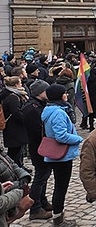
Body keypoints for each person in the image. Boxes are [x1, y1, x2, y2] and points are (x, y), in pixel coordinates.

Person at [42, 84, 84, 227]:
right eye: (64, 93)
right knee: (61, 187)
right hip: (61, 155)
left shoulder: (52, 109)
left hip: (58, 155)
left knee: (60, 186)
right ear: (59, 95)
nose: (66, 95)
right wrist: (78, 139)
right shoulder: (58, 113)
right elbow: (61, 136)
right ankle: (58, 219)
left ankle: (58, 215)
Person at [22, 79, 53, 220]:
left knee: (44, 176)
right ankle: (34, 208)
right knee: (40, 177)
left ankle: (42, 201)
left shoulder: (40, 104)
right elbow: (38, 130)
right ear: (41, 93)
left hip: (42, 147)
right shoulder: (32, 108)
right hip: (39, 147)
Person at [0, 76, 29, 168]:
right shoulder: (12, 97)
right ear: (16, 84)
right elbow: (16, 113)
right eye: (20, 82)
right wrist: (26, 118)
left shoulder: (10, 94)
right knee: (14, 150)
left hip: (14, 127)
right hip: (14, 127)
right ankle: (14, 167)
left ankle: (19, 165)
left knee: (17, 149)